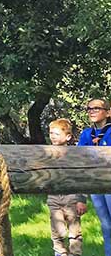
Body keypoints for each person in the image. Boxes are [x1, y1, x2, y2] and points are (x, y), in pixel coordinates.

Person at [47, 118, 86, 256]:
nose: (52, 136)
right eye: (51, 133)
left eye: (56, 134)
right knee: (57, 230)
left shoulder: (74, 155)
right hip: (54, 198)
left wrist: (81, 199)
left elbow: (81, 177)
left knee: (74, 230)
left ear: (68, 136)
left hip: (72, 198)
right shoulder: (46, 153)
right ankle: (60, 253)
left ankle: (75, 254)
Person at [78, 98, 111, 256]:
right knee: (106, 225)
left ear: (108, 112)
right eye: (89, 108)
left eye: (96, 108)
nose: (92, 111)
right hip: (95, 185)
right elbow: (80, 161)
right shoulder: (86, 134)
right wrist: (81, 196)